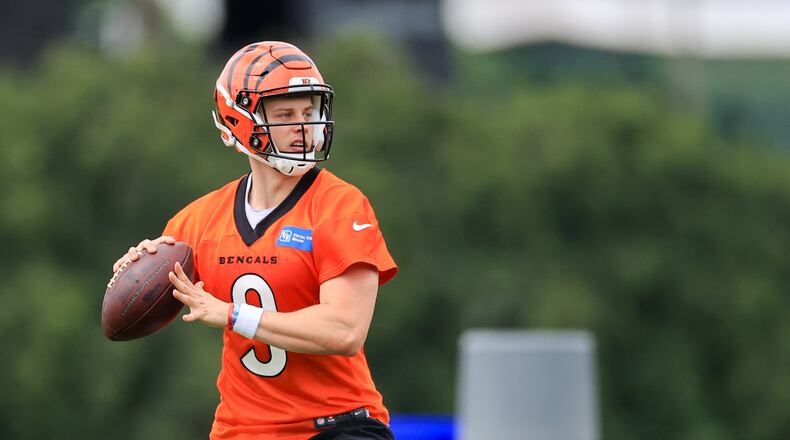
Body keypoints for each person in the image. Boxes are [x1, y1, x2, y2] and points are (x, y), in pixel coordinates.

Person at [112, 41, 398, 440]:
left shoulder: (339, 205)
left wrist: (232, 314)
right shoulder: (198, 221)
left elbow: (345, 331)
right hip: (242, 430)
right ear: (237, 120)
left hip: (336, 424)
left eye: (309, 112)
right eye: (285, 114)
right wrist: (139, 265)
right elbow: (144, 292)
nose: (303, 128)